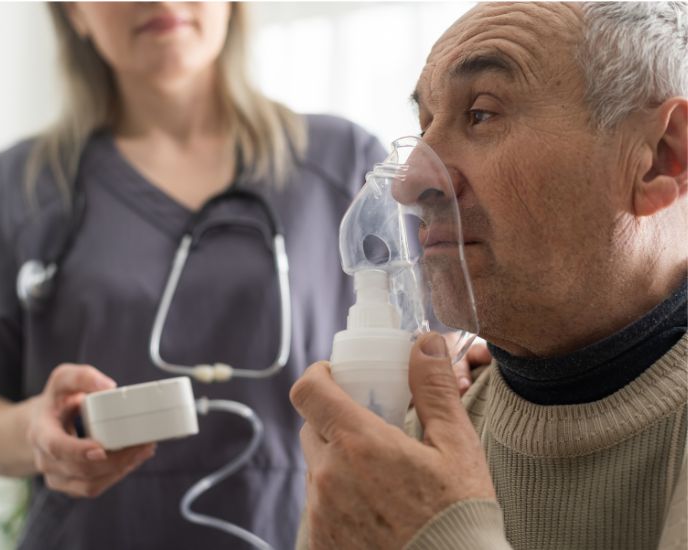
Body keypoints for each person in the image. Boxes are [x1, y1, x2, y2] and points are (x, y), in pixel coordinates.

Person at [0, 3, 389, 548]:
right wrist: (36, 432)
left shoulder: (345, 162)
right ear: (73, 12)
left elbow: (429, 370)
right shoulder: (21, 184)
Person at [290, 2, 687, 549]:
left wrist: (440, 531)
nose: (410, 185)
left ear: (659, 158)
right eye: (424, 124)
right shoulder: (405, 443)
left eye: (481, 114)